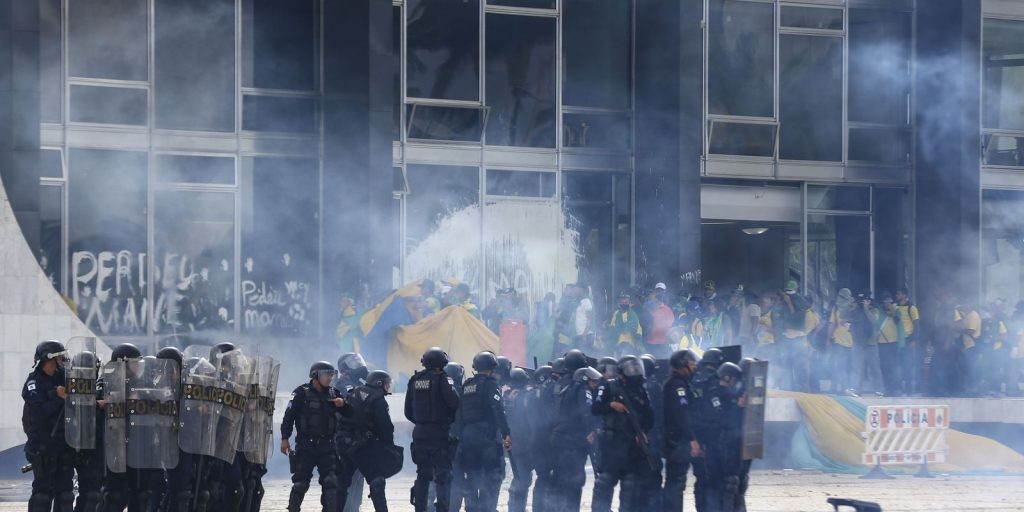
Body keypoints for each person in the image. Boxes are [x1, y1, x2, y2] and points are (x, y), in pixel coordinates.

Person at [590, 355, 654, 512]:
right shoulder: (608, 386)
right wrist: (611, 405)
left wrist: (644, 432)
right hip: (611, 444)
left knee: (630, 488)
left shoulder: (640, 390)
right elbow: (595, 408)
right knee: (604, 484)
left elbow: (649, 415)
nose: (635, 371)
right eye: (631, 368)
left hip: (632, 446)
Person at [280, 361, 346, 512]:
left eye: (331, 374)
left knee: (331, 482)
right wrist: (285, 438)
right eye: (326, 374)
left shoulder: (334, 394)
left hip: (328, 446)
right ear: (315, 375)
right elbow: (288, 417)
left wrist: (343, 403)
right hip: (306, 446)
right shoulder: (301, 393)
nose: (330, 378)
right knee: (300, 484)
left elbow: (349, 414)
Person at [453, 352, 511, 512]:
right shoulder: (491, 384)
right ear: (492, 367)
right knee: (492, 477)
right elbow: (498, 409)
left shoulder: (467, 385)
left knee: (472, 476)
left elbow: (460, 413)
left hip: (468, 436)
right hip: (487, 436)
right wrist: (506, 433)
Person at [405, 347, 460, 512]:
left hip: (420, 433)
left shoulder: (415, 379)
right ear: (442, 363)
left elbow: (408, 411)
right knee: (443, 476)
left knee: (423, 475)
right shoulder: (443, 379)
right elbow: (454, 403)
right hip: (439, 434)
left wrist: (422, 422)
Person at [336, 370, 397, 511]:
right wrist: (388, 448)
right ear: (379, 383)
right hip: (361, 447)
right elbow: (386, 428)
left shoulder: (355, 392)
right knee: (377, 481)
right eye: (387, 384)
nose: (388, 387)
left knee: (343, 481)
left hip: (344, 444)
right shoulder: (378, 400)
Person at [23, 340, 73, 512]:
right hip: (42, 447)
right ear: (48, 359)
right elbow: (38, 414)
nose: (62, 360)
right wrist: (58, 397)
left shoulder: (64, 378)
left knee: (66, 495)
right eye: (59, 357)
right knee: (42, 496)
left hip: (63, 445)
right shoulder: (34, 383)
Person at [546, 367, 601, 512]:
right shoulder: (583, 390)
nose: (594, 385)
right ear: (584, 379)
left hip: (559, 437)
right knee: (575, 480)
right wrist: (592, 430)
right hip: (573, 442)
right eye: (592, 382)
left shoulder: (565, 389)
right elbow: (587, 412)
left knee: (559, 478)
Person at [662, 349, 700, 512]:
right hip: (677, 441)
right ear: (683, 365)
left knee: (676, 483)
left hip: (677, 440)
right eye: (692, 364)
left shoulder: (680, 382)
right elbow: (681, 414)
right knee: (675, 484)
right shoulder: (677, 385)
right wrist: (692, 439)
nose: (694, 368)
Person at [689, 348, 724, 511]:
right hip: (711, 434)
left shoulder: (693, 377)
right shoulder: (714, 380)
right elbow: (716, 408)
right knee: (713, 477)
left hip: (695, 433)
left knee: (700, 477)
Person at [334, 353, 370, 512]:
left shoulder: (357, 383)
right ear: (344, 367)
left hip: (356, 437)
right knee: (347, 478)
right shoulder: (344, 383)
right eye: (354, 363)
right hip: (346, 438)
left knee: (357, 478)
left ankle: (353, 507)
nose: (359, 365)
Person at [505, 368, 534, 512]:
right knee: (521, 479)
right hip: (519, 443)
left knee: (523, 479)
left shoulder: (520, 395)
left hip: (521, 443)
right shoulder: (508, 397)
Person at [894, 288, 921, 394]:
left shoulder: (912, 308)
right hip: (898, 340)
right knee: (898, 365)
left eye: (899, 293)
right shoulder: (896, 308)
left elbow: (917, 325)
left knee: (908, 365)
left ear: (904, 295)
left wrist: (914, 340)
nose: (897, 295)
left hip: (908, 339)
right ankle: (899, 388)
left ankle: (909, 390)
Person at [607, 292, 643, 357]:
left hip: (629, 343)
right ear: (619, 303)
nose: (624, 304)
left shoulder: (633, 315)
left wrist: (617, 327)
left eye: (626, 302)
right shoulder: (616, 313)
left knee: (623, 359)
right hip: (617, 343)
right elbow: (612, 327)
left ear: (629, 303)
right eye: (622, 302)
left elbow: (628, 330)